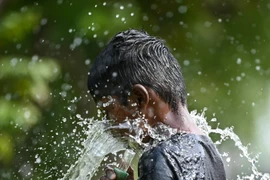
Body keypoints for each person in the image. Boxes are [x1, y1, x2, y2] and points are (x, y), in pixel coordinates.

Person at [87, 29, 226, 180]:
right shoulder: (212, 155)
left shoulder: (159, 158)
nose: (109, 127)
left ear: (139, 99)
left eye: (108, 110)